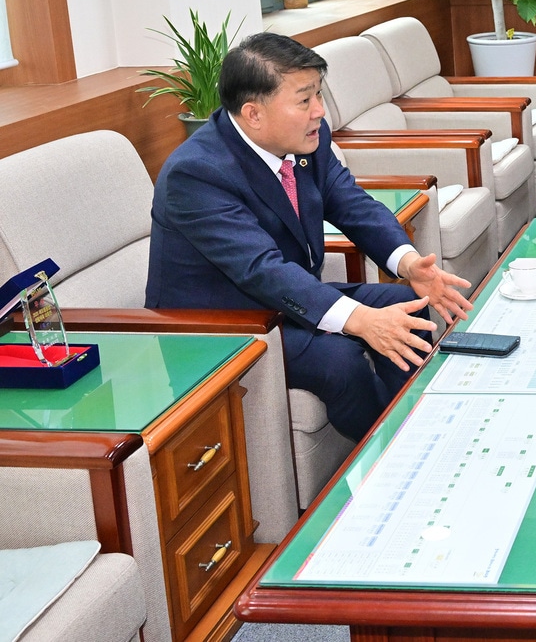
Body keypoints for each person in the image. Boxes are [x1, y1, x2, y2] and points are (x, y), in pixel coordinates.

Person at [146, 32, 473, 441]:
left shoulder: (306, 142)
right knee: (340, 358)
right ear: (253, 113)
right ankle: (392, 450)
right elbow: (261, 269)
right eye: (304, 100)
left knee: (406, 300)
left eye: (318, 94)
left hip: (280, 302)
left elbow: (350, 202)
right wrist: (359, 320)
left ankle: (416, 423)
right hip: (220, 324)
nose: (319, 111)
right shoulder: (196, 173)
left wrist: (408, 263)